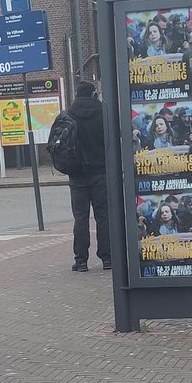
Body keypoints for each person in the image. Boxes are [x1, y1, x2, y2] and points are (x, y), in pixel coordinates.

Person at [65, 81, 110, 272]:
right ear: (93, 94)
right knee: (103, 216)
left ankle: (81, 260)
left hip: (77, 174)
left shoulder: (68, 114)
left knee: (80, 218)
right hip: (101, 172)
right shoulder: (104, 113)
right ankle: (107, 258)